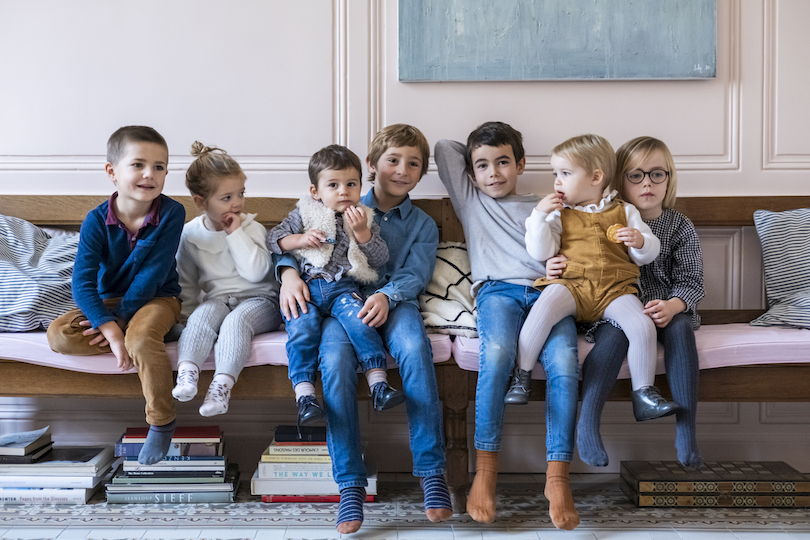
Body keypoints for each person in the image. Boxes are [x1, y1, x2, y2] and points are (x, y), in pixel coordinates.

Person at [279, 124, 451, 534]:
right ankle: (350, 486)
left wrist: (387, 296)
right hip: (346, 306)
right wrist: (286, 273)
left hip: (397, 305)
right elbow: (296, 244)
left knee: (413, 348)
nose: (402, 170)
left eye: (413, 164)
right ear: (372, 165)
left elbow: (416, 273)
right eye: (392, 160)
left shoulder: (423, 225)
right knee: (334, 362)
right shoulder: (337, 199)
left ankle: (431, 473)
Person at [434, 122, 580, 530]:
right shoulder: (470, 199)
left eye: (503, 162)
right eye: (482, 165)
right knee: (495, 355)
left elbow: (571, 247)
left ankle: (558, 478)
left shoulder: (544, 204)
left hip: (547, 293)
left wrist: (557, 263)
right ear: (472, 171)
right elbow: (444, 148)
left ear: (521, 164)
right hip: (497, 292)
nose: (493, 173)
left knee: (566, 364)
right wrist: (474, 159)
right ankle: (486, 472)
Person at [506, 134, 679, 423]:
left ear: (596, 177)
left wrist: (639, 241)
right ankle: (520, 376)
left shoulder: (625, 210)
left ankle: (645, 393)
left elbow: (647, 254)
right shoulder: (560, 214)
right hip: (571, 285)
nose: (557, 182)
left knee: (642, 326)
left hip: (614, 289)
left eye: (565, 173)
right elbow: (541, 251)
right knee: (541, 312)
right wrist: (538, 216)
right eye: (555, 174)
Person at [46, 125, 184, 465]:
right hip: (110, 301)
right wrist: (106, 325)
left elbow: (152, 275)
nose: (149, 174)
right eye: (138, 165)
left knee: (139, 340)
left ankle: (162, 422)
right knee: (59, 334)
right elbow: (82, 282)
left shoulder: (171, 213)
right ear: (112, 172)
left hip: (158, 299)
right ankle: (142, 335)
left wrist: (122, 327)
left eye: (159, 167)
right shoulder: (96, 220)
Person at [577, 136, 705, 468]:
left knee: (680, 329)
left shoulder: (679, 226)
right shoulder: (610, 221)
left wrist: (674, 305)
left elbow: (691, 280)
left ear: (668, 179)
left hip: (667, 307)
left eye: (656, 174)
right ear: (620, 180)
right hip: (615, 306)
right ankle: (587, 422)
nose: (647, 182)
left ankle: (686, 432)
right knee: (613, 335)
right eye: (636, 175)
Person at [268, 144, 404, 429]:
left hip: (343, 289)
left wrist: (363, 233)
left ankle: (378, 383)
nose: (344, 191)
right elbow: (274, 239)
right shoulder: (304, 213)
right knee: (301, 329)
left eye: (351, 184)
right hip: (307, 288)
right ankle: (305, 396)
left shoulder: (365, 217)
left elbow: (380, 259)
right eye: (334, 185)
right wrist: (300, 239)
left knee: (361, 322)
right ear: (315, 191)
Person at [171, 142, 281, 417]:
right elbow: (186, 281)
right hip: (219, 300)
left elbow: (257, 272)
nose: (237, 203)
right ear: (200, 202)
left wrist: (235, 234)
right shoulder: (190, 235)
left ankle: (221, 387)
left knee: (236, 323)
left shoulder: (251, 228)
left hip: (261, 301)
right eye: (226, 198)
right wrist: (183, 317)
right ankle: (187, 374)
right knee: (200, 318)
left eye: (240, 194)